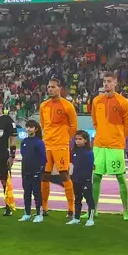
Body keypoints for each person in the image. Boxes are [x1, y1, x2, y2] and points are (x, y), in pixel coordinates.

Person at [89, 73, 128, 220]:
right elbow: (95, 122)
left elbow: (127, 125)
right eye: (104, 81)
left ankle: (126, 211)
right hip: (99, 145)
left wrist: (118, 137)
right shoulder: (96, 101)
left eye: (109, 81)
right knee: (96, 177)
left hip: (115, 145)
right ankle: (93, 210)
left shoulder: (123, 102)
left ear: (115, 83)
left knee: (120, 177)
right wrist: (102, 134)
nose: (106, 84)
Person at [40, 79, 79, 220]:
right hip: (46, 145)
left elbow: (74, 127)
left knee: (64, 174)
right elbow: (44, 125)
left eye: (53, 87)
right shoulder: (43, 105)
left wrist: (64, 139)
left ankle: (71, 208)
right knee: (44, 175)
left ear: (60, 88)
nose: (50, 89)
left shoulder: (67, 106)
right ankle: (44, 208)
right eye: (49, 87)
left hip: (61, 145)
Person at [19, 119, 47, 221]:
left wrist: (40, 170)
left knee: (37, 193)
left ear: (36, 129)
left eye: (31, 127)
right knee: (26, 193)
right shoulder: (24, 142)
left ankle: (39, 214)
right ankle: (27, 213)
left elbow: (43, 158)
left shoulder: (39, 142)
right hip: (25, 170)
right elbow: (24, 155)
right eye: (27, 127)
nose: (28, 129)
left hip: (36, 171)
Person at [69, 130, 97, 226]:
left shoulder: (89, 153)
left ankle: (91, 218)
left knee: (89, 199)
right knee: (77, 199)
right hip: (75, 180)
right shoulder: (73, 152)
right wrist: (71, 176)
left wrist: (87, 179)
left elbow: (90, 167)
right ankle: (76, 218)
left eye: (80, 139)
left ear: (85, 140)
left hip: (86, 180)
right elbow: (71, 165)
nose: (77, 141)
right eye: (76, 139)